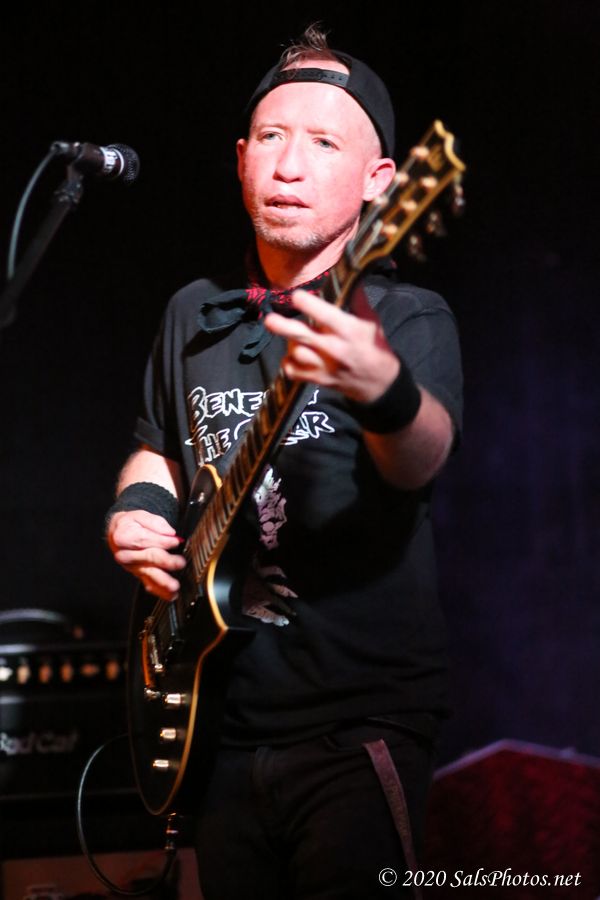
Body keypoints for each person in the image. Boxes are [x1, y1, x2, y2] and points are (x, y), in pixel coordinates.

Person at [106, 24, 462, 900]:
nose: (290, 165)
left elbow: (421, 458)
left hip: (357, 725)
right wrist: (135, 510)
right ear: (240, 159)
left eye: (325, 143)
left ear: (382, 181)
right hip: (221, 726)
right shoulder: (195, 315)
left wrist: (384, 390)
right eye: (271, 137)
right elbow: (158, 448)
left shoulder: (406, 317)